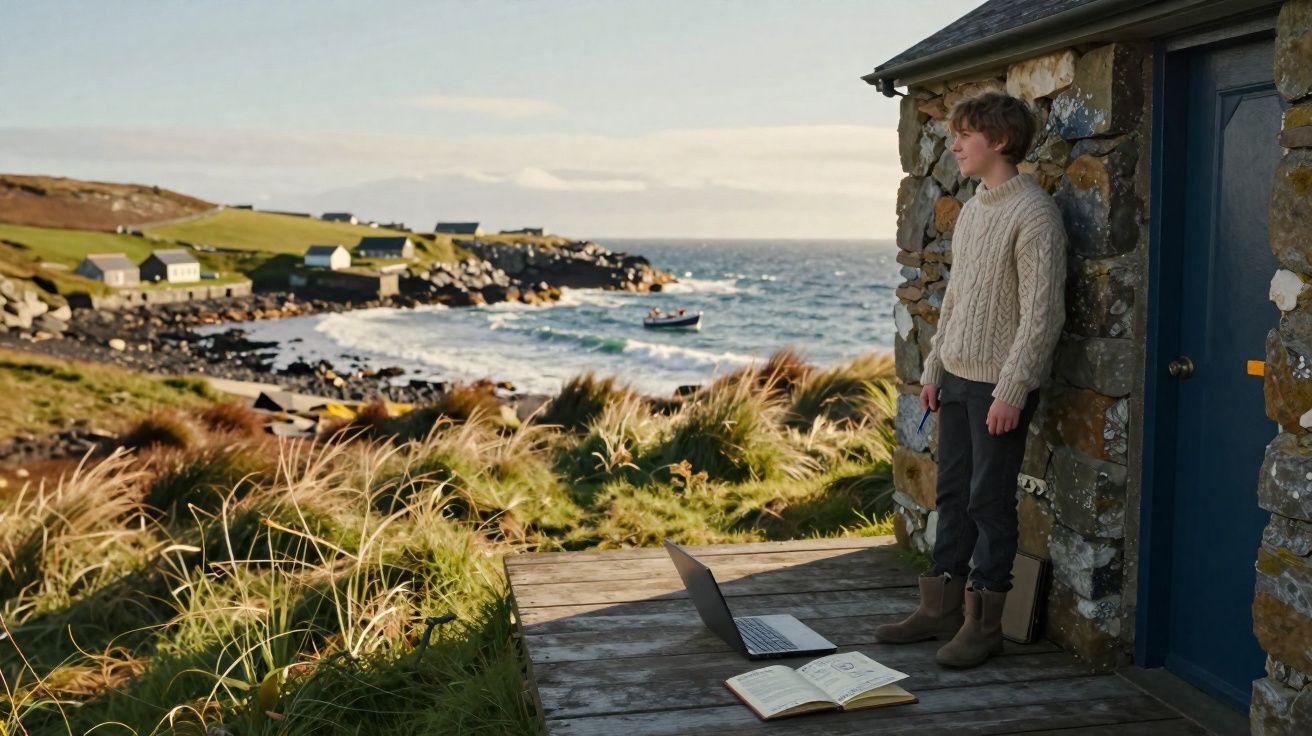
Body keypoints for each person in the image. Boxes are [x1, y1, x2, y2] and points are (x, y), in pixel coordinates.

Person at [874, 91, 1068, 669]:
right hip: (954, 380)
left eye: (965, 135)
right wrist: (933, 369)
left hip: (997, 389)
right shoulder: (977, 207)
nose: (954, 144)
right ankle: (938, 610)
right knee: (952, 493)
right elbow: (955, 299)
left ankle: (984, 627)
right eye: (954, 135)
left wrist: (1012, 390)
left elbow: (1042, 315)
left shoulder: (1034, 215)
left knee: (989, 500)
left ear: (999, 141)